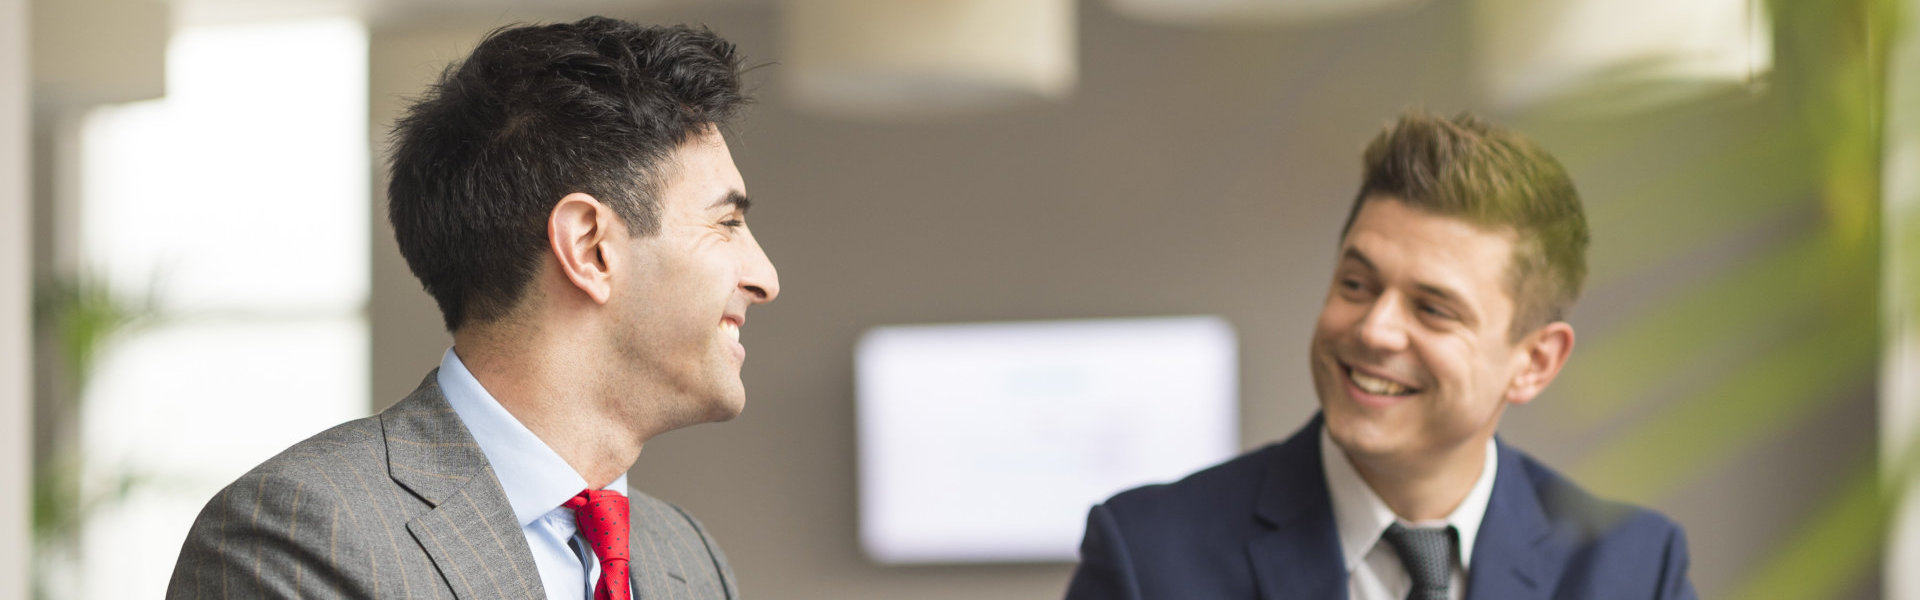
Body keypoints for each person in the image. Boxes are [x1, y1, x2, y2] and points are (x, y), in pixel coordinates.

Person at [166, 17, 777, 600]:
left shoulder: (687, 557)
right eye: (726, 223)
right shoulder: (295, 538)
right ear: (590, 248)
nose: (766, 278)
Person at [1064, 110, 1695, 600]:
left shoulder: (1633, 569)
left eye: (1433, 309)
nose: (1374, 330)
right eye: (1357, 285)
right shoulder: (1150, 557)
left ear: (1534, 362)